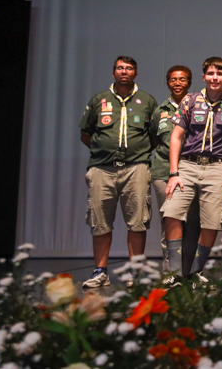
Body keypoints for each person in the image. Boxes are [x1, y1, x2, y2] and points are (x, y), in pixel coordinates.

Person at [79, 56, 157, 288]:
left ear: (136, 73)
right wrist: (105, 151)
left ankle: (136, 272)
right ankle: (100, 272)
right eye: (120, 68)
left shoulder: (147, 101)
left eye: (129, 68)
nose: (124, 71)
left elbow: (153, 137)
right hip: (102, 168)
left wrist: (136, 152)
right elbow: (86, 134)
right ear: (114, 73)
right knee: (100, 221)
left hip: (136, 168)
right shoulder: (99, 100)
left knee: (138, 221)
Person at [161, 57, 222, 288]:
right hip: (187, 165)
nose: (215, 78)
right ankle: (175, 272)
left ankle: (195, 272)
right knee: (172, 213)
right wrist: (174, 172)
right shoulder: (190, 100)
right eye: (211, 73)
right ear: (204, 76)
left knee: (212, 222)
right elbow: (176, 137)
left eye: (219, 74)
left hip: (217, 167)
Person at [151, 66, 195, 274]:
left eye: (182, 79)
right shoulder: (160, 111)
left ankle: (190, 270)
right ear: (168, 82)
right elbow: (153, 140)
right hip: (163, 173)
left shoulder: (199, 105)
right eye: (173, 80)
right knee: (168, 221)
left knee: (192, 224)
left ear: (190, 82)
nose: (178, 83)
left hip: (192, 171)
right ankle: (171, 271)